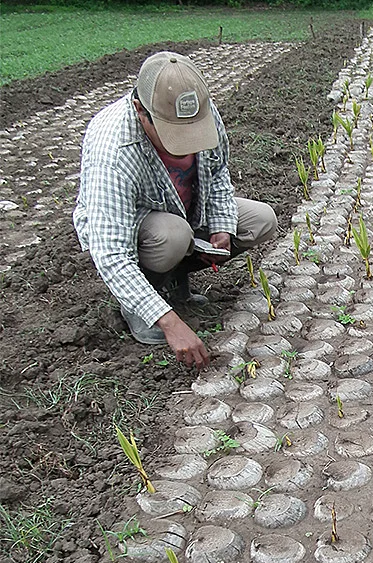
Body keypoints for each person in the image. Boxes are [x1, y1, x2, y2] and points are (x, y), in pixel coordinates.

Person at [73, 51, 276, 369]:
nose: (186, 144)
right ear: (141, 111)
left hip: (186, 210)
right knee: (173, 235)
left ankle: (176, 282)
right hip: (141, 228)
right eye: (172, 134)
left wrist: (221, 225)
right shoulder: (112, 148)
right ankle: (141, 306)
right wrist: (170, 324)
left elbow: (218, 171)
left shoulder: (199, 112)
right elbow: (111, 255)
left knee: (260, 220)